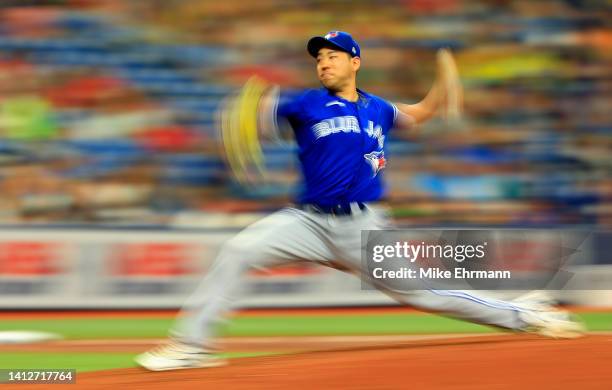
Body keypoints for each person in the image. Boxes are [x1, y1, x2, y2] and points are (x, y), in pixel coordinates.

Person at [136, 31, 583, 371]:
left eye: (332, 55)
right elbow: (254, 111)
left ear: (355, 62)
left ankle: (526, 313)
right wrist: (247, 112)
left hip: (364, 228)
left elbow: (420, 114)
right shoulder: (306, 104)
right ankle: (191, 346)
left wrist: (443, 86)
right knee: (238, 250)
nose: (323, 63)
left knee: (425, 295)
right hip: (307, 222)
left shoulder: (379, 109)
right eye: (319, 57)